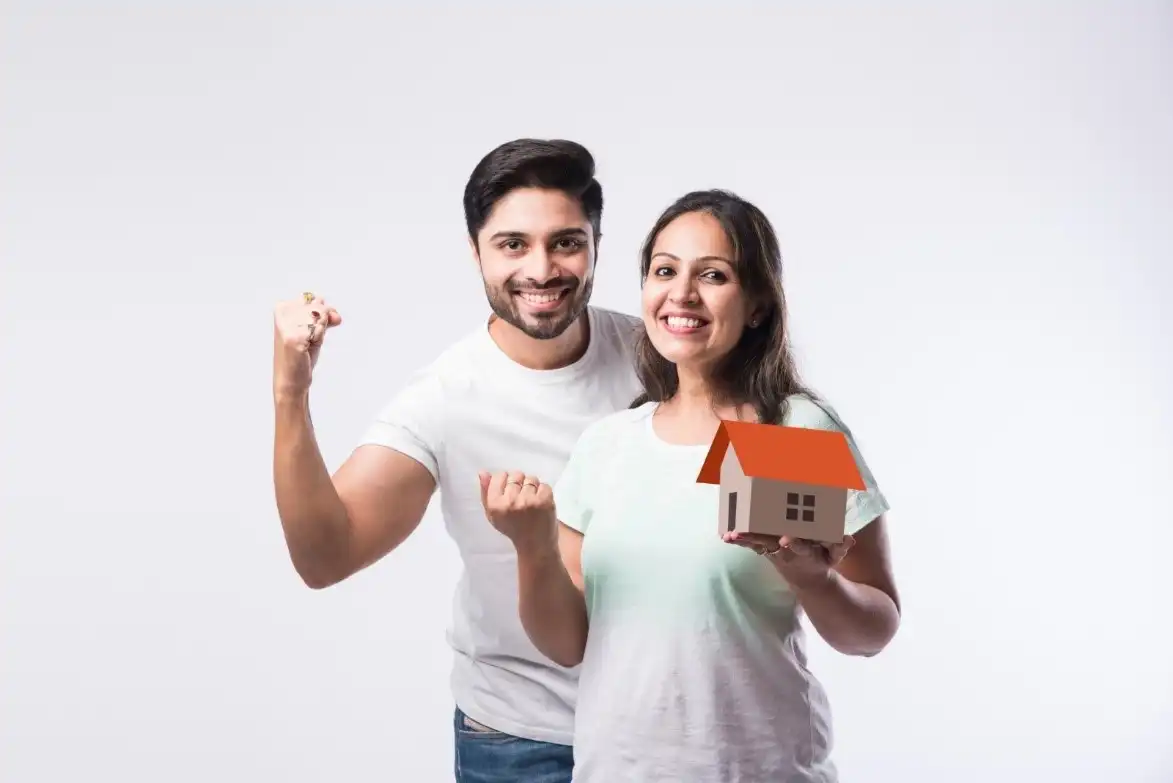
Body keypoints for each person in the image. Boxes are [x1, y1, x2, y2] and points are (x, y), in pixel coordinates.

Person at [480, 189, 902, 782]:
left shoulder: (788, 430)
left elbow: (871, 633)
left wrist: (813, 578)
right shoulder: (609, 444)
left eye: (713, 275)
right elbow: (568, 644)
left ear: (757, 305)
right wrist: (531, 547)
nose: (681, 293)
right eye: (664, 271)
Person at [270, 139, 642, 783]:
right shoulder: (444, 399)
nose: (541, 269)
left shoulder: (659, 357)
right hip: (522, 741)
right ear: (476, 252)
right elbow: (324, 558)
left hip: (671, 727)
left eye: (566, 242)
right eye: (512, 244)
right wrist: (290, 394)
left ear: (596, 246)